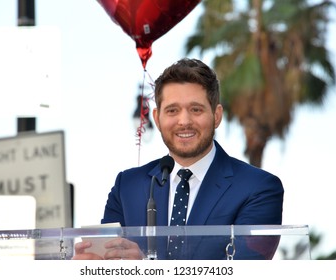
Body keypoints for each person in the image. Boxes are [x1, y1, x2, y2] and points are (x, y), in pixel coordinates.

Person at [72, 58, 284, 260]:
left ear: (216, 116)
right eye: (172, 110)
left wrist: (145, 269)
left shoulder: (259, 188)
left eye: (196, 109)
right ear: (157, 118)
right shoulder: (127, 186)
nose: (184, 121)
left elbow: (245, 274)